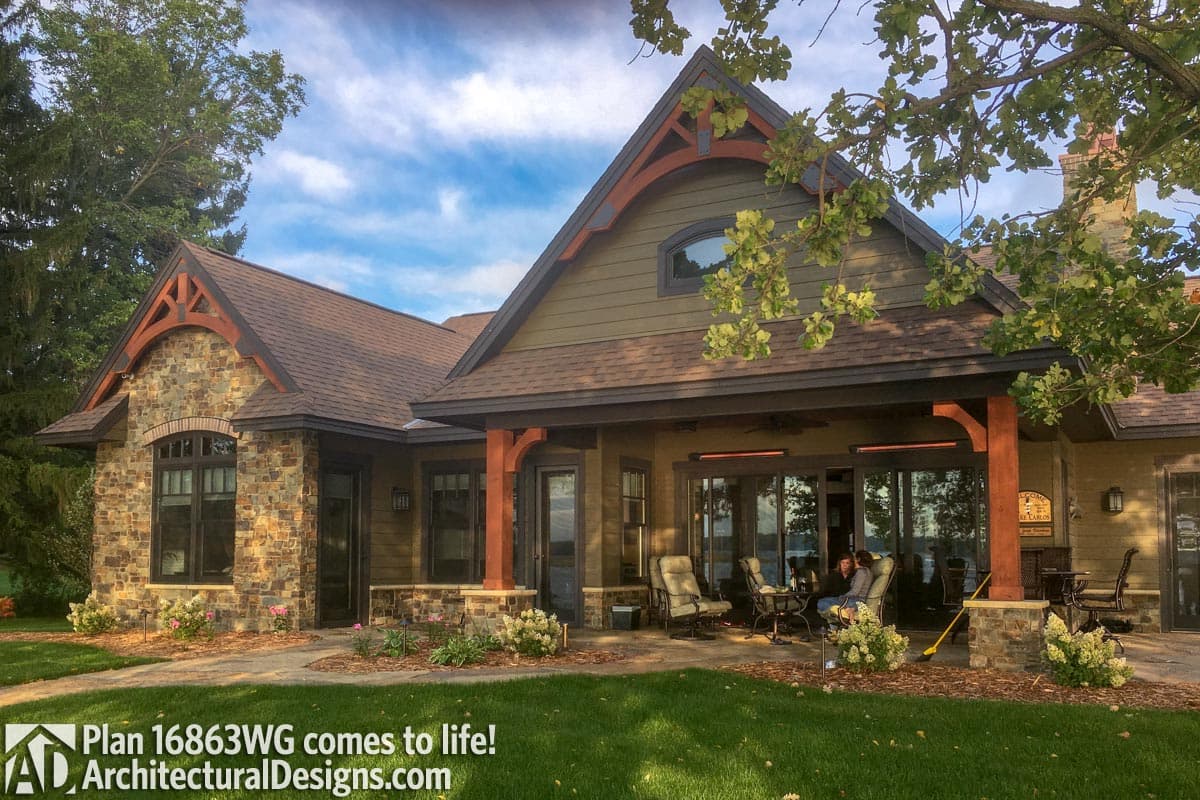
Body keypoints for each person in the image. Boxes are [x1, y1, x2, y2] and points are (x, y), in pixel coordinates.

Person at [818, 550, 875, 625]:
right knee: (824, 601)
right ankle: (848, 611)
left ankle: (845, 612)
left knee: (822, 602)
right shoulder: (866, 572)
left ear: (858, 559)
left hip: (855, 601)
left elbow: (855, 591)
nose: (853, 560)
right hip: (854, 600)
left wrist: (842, 597)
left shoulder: (861, 572)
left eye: (854, 558)